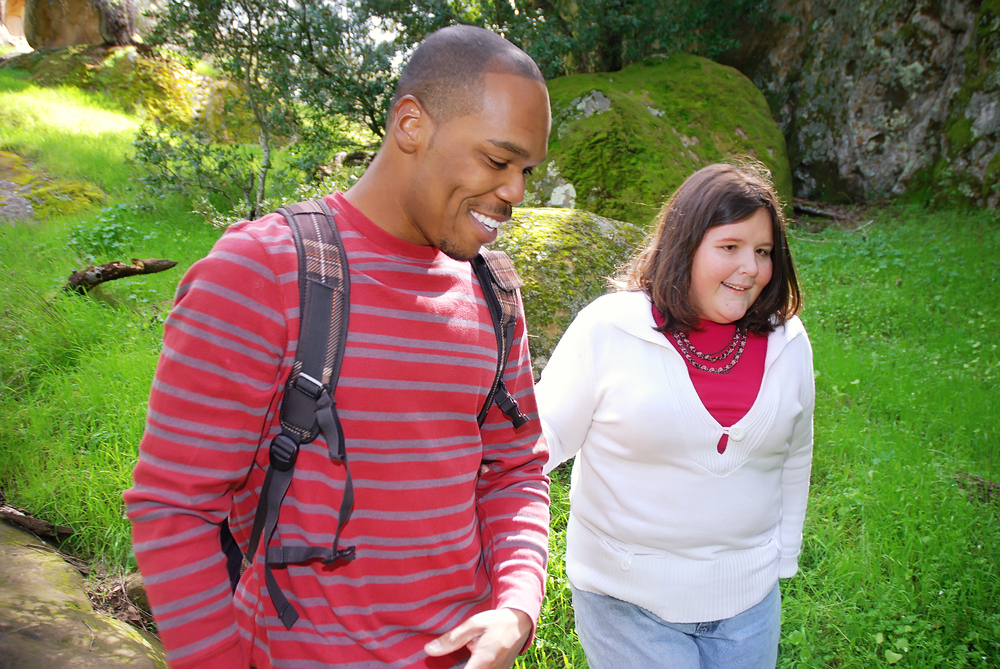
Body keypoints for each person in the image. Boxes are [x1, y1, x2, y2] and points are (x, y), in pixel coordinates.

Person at [123, 25, 551, 669]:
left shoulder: (494, 291)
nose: (515, 191)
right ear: (411, 123)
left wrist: (516, 608)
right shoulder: (259, 272)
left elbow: (514, 469)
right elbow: (175, 509)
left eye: (526, 170)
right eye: (497, 161)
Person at [536, 162, 814, 668]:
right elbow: (545, 433)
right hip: (627, 604)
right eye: (729, 247)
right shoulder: (611, 329)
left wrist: (783, 557)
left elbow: (795, 454)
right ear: (684, 244)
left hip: (749, 605)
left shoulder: (788, 342)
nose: (750, 267)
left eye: (763, 251)